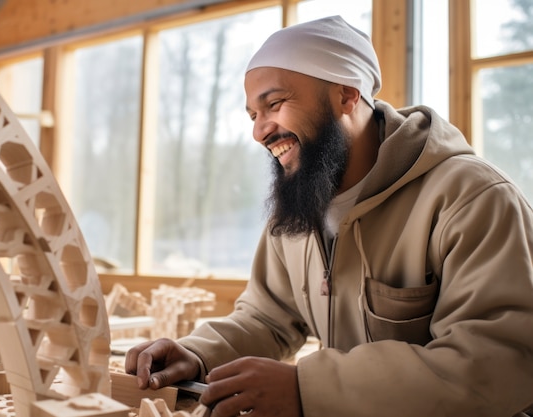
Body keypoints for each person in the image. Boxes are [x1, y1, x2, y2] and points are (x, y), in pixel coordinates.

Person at [125, 15, 533, 417]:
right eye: (253, 115)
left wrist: (308, 390)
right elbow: (268, 317)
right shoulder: (301, 202)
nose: (259, 131)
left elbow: (494, 363)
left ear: (346, 95)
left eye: (275, 104)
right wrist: (199, 354)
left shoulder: (471, 198)